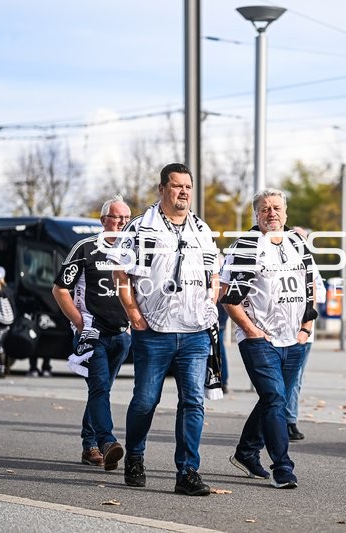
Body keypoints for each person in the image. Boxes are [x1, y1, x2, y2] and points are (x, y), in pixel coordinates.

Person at [108, 163, 219, 496]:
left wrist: (211, 301)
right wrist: (134, 315)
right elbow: (121, 275)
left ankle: (187, 472)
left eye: (187, 186)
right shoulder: (141, 228)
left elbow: (213, 274)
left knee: (193, 403)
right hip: (153, 332)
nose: (183, 192)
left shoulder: (202, 229)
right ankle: (136, 457)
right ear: (162, 189)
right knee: (145, 400)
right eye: (176, 186)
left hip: (195, 332)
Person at [219, 188, 318, 489]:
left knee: (273, 399)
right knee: (275, 398)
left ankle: (246, 453)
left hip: (295, 339)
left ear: (286, 213)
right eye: (265, 209)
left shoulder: (298, 244)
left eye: (277, 207)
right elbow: (228, 297)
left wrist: (306, 330)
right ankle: (283, 467)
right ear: (257, 214)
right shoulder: (246, 246)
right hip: (259, 339)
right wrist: (250, 330)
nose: (271, 213)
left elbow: (311, 287)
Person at [52, 195, 132, 471]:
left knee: (102, 390)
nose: (121, 222)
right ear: (103, 220)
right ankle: (106, 441)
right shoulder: (85, 248)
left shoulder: (133, 251)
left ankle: (89, 445)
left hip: (122, 335)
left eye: (125, 218)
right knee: (99, 387)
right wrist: (79, 323)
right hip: (92, 334)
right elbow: (60, 289)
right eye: (116, 217)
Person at [285, 227, 326, 441]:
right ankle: (276, 420)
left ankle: (289, 420)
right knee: (277, 381)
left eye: (302, 239)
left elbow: (322, 292)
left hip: (303, 333)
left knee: (295, 379)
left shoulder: (309, 264)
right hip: (278, 331)